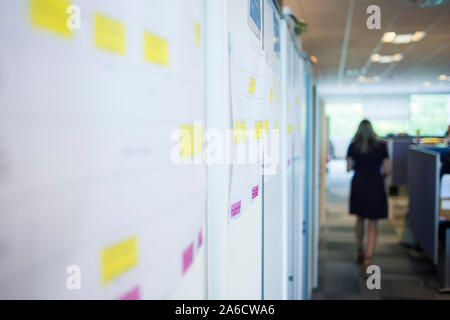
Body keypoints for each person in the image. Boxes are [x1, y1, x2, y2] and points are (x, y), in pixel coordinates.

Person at [346, 120, 389, 271]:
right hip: (375, 184)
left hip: (359, 183)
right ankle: (368, 258)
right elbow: (386, 170)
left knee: (359, 218)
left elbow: (349, 167)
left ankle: (359, 249)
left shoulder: (353, 145)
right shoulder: (381, 146)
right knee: (373, 221)